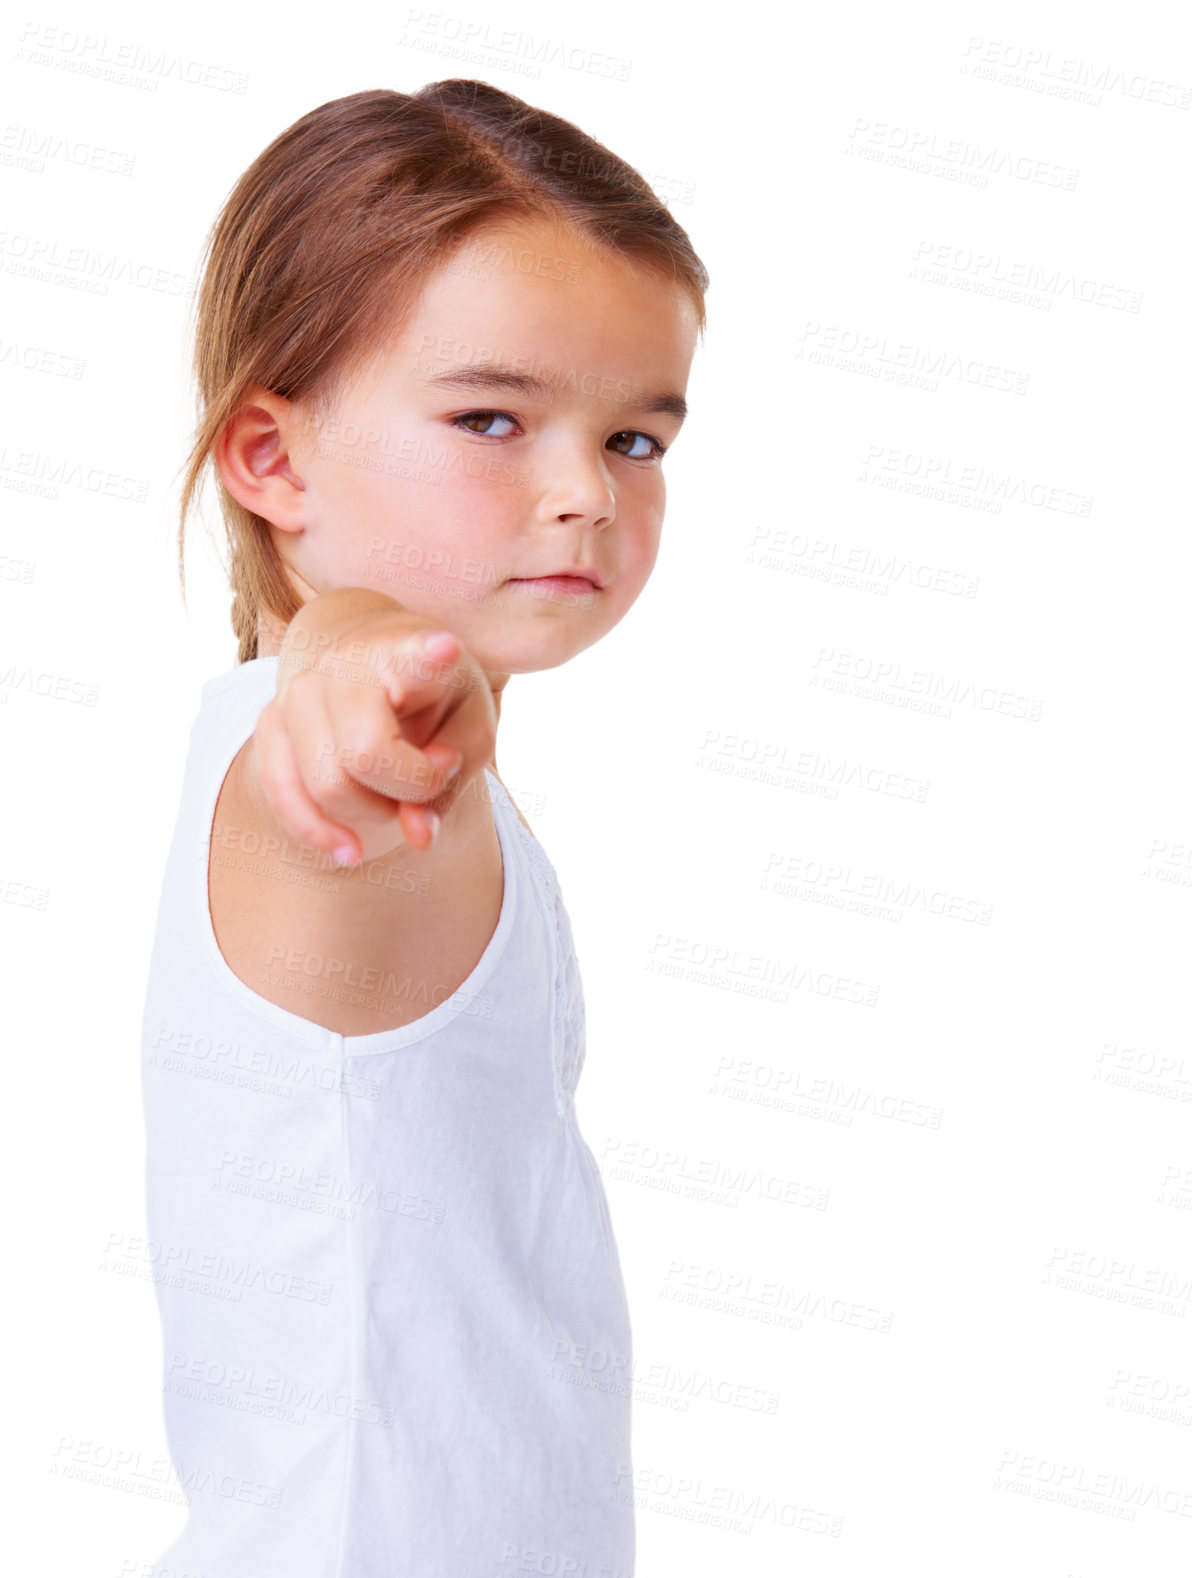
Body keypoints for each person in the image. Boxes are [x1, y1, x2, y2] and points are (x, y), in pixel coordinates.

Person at [140, 78, 708, 1577]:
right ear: (271, 461)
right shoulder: (342, 774)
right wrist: (350, 673)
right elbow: (352, 645)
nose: (582, 492)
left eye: (636, 440)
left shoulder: (414, 781)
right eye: (491, 418)